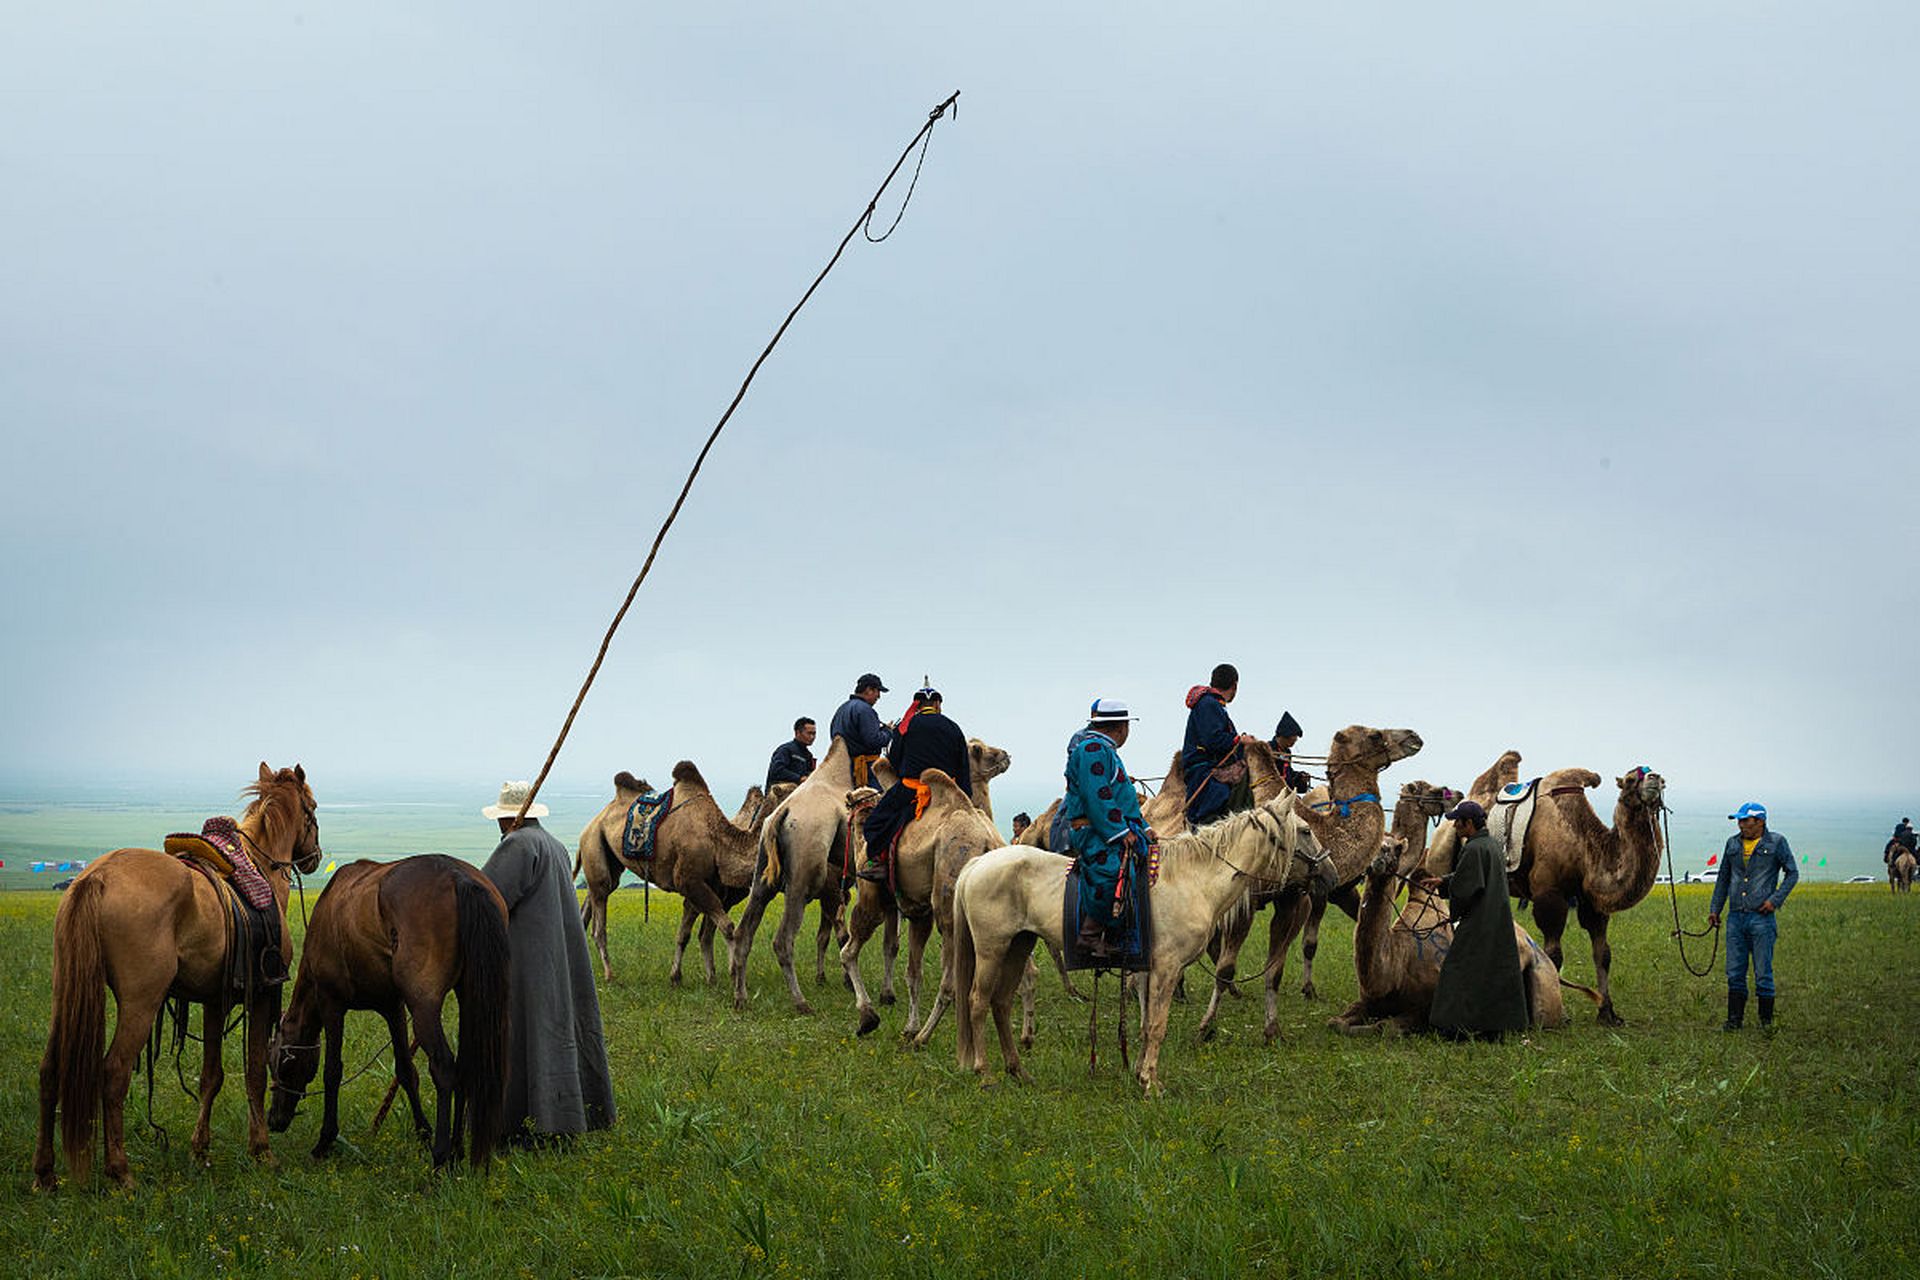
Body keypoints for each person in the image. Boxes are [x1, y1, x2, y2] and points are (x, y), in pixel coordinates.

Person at [480, 781, 616, 1144]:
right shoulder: (553, 845)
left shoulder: (517, 845)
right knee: (558, 1031)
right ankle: (563, 1119)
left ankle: (524, 1125)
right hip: (558, 957)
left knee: (526, 1033)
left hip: (529, 961)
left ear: (508, 818)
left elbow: (487, 900)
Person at [1417, 800, 1528, 1039]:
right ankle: (1495, 1028)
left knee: (1456, 969)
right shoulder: (1491, 845)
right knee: (1493, 973)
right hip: (1496, 919)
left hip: (1478, 921)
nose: (1455, 826)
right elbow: (1471, 874)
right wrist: (1443, 881)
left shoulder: (1473, 848)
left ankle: (1452, 1028)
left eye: (1458, 822)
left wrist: (1451, 904)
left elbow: (1466, 888)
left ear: (1469, 823)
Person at [1064, 698, 1153, 959]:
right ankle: (1090, 935)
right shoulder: (1092, 750)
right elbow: (1098, 797)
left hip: (1105, 827)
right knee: (1113, 871)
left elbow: (1122, 800)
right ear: (1121, 727)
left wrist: (1144, 827)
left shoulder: (1104, 750)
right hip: (1094, 831)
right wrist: (1121, 832)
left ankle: (1123, 935)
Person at [858, 687, 970, 879]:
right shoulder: (953, 727)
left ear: (917, 705)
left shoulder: (906, 726)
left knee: (875, 823)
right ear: (937, 704)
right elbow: (963, 767)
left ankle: (880, 862)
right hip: (947, 793)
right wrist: (966, 797)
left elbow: (894, 759)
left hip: (912, 789)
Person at [1708, 801, 1798, 1031]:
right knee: (1734, 971)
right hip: (1735, 917)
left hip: (1762, 917)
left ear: (1760, 821)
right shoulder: (1732, 844)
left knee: (1763, 972)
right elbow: (1723, 878)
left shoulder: (1776, 842)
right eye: (1739, 821)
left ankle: (1766, 1023)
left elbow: (1792, 873)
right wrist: (1715, 909)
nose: (1741, 825)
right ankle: (1734, 1021)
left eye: (1745, 820)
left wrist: (1775, 900)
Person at [1182, 662, 1257, 825]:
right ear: (1235, 685)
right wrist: (1239, 740)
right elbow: (1213, 740)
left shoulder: (1212, 705)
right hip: (1204, 771)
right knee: (1212, 817)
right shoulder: (1209, 704)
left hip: (1208, 769)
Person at [829, 673, 893, 788]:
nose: (879, 696)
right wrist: (888, 732)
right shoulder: (865, 710)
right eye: (877, 691)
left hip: (844, 771)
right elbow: (873, 741)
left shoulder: (841, 709)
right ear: (869, 690)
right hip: (865, 772)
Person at [765, 717, 818, 791]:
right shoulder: (786, 750)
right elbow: (777, 770)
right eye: (809, 733)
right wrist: (799, 778)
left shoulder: (809, 756)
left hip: (799, 792)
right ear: (797, 733)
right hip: (780, 792)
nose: (812, 737)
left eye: (814, 734)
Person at [1269, 711, 1312, 794]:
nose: (1295, 740)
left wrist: (1300, 777)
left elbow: (1288, 774)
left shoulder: (1287, 752)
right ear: (1285, 736)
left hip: (1284, 792)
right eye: (1294, 737)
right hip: (1272, 791)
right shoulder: (1268, 749)